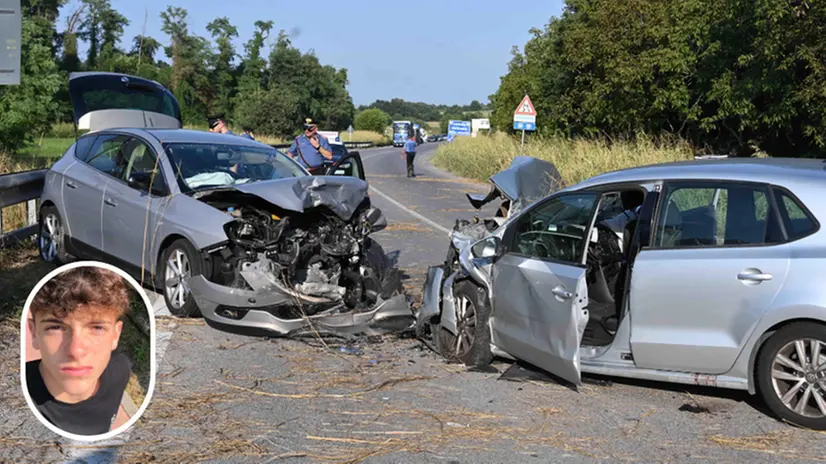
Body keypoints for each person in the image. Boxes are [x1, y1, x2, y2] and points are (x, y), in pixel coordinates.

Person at [25, 266, 133, 436]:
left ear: (115, 334)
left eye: (97, 327)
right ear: (34, 333)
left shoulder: (120, 370)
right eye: (55, 327)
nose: (75, 350)